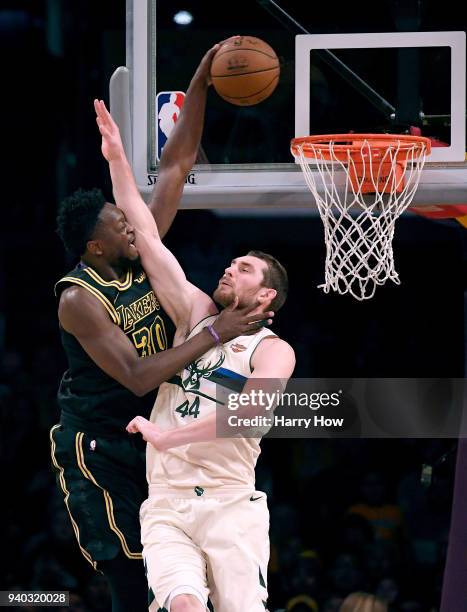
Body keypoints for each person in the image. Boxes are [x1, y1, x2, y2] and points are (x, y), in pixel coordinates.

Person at [51, 42, 267, 612]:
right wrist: (215, 330)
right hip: (97, 443)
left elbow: (178, 164)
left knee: (181, 577)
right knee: (135, 574)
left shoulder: (139, 254)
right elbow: (139, 377)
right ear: (96, 246)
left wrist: (199, 81)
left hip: (154, 442)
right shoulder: (78, 299)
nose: (134, 226)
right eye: (121, 225)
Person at [94, 88, 295, 611]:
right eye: (231, 263)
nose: (231, 268)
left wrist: (167, 434)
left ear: (267, 294)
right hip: (167, 503)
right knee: (181, 604)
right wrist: (117, 161)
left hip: (230, 504)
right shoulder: (196, 315)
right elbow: (145, 233)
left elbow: (250, 415)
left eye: (245, 269)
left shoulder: (273, 351)